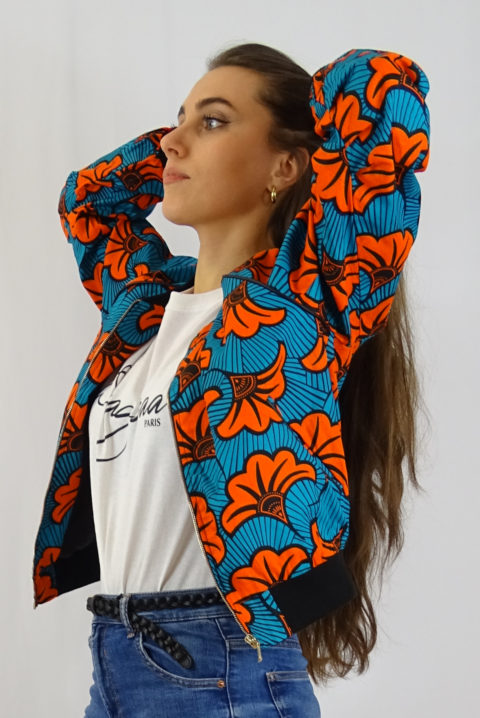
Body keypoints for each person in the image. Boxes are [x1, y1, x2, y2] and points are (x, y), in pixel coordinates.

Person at [32, 43, 430, 716]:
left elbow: (380, 91)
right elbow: (88, 203)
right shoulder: (144, 308)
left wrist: (307, 119)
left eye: (212, 121)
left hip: (223, 675)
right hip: (115, 665)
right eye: (178, 119)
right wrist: (181, 142)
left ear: (286, 165)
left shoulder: (304, 302)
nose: (175, 141)